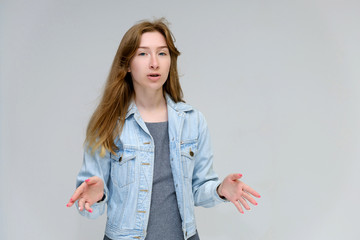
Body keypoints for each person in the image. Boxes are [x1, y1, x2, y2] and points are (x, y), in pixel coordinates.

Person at [66, 18, 261, 240]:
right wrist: (97, 197)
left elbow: (199, 189)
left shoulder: (193, 121)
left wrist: (220, 191)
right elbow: (86, 206)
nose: (154, 63)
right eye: (142, 53)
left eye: (162, 53)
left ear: (170, 61)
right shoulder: (108, 123)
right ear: (127, 64)